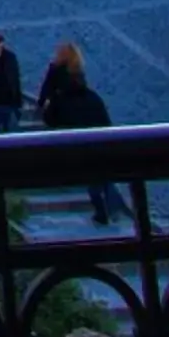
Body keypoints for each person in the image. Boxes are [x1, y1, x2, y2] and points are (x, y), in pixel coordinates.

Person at [37, 40, 123, 224]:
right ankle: (111, 210)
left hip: (81, 141)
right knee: (104, 178)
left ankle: (102, 213)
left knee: (94, 179)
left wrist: (44, 107)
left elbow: (51, 116)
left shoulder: (61, 95)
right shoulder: (91, 95)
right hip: (99, 139)